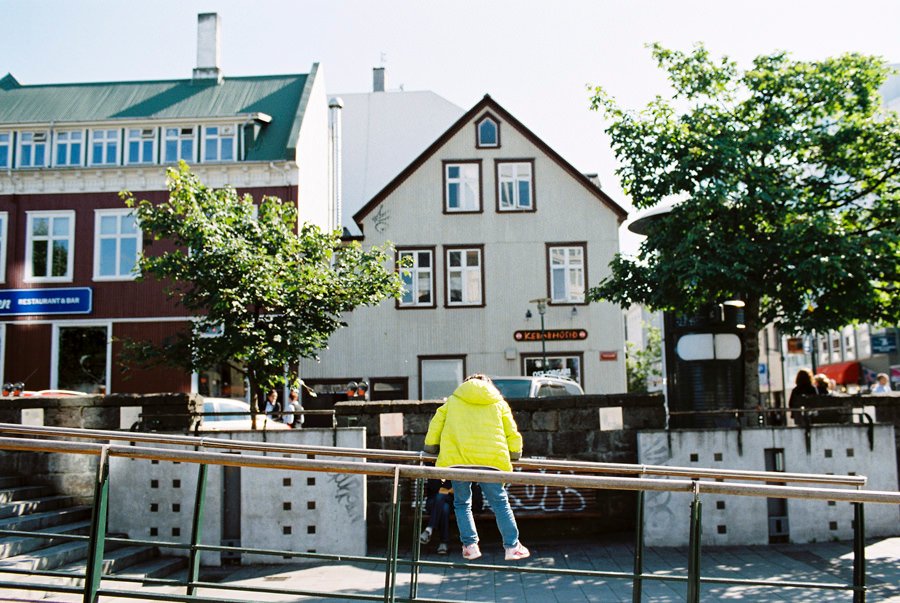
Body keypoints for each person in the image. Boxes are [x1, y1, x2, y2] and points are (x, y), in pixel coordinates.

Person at [423, 374, 530, 562]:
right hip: (491, 461)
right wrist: (515, 452)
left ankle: (470, 546)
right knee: (500, 503)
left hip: (458, 460)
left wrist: (430, 448)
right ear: (488, 385)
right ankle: (512, 546)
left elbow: (436, 424)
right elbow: (511, 431)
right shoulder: (498, 402)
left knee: (462, 503)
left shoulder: (453, 401)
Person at [419, 478, 453, 555]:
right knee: (444, 507)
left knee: (444, 506)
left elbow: (456, 489)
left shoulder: (453, 469)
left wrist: (443, 490)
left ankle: (429, 529)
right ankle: (443, 543)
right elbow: (433, 488)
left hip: (450, 501)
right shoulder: (434, 470)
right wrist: (446, 489)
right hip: (433, 502)